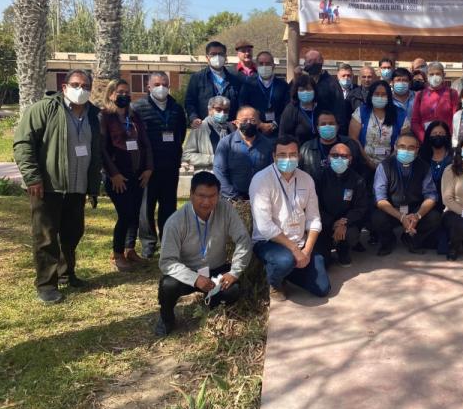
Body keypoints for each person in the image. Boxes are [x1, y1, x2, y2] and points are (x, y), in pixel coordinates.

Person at [14, 69, 101, 304]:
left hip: (77, 185)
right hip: (48, 186)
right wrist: (32, 177)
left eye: (85, 86)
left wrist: (93, 185)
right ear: (64, 87)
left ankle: (65, 274)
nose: (80, 89)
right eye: (75, 84)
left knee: (72, 233)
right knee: (46, 237)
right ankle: (46, 284)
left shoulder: (93, 114)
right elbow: (23, 143)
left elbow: (96, 151)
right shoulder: (45, 109)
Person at [155, 172, 251, 336]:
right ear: (191, 194)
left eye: (212, 196)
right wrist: (195, 279)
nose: (207, 202)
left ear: (218, 195)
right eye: (201, 196)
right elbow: (167, 262)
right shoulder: (175, 221)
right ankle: (167, 318)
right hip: (189, 272)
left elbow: (243, 239)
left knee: (233, 289)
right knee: (167, 286)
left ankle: (211, 306)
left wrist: (234, 272)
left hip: (216, 269)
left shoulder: (225, 208)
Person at [250, 135, 330, 299]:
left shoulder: (306, 179)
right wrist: (294, 249)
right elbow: (265, 226)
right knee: (284, 261)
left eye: (292, 154)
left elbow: (314, 218)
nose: (288, 159)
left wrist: (306, 251)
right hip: (270, 242)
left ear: (299, 156)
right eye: (282, 155)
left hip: (300, 242)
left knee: (323, 289)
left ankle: (288, 270)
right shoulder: (261, 180)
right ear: (273, 157)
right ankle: (275, 282)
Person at [100, 79, 154, 272]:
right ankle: (117, 255)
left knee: (134, 214)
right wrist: (113, 174)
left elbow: (145, 143)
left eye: (127, 92)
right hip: (118, 177)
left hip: (138, 174)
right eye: (120, 92)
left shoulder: (135, 116)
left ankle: (130, 249)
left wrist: (148, 168)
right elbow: (102, 149)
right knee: (124, 214)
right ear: (111, 94)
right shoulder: (105, 117)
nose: (124, 96)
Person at [133, 72, 188, 258]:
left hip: (170, 165)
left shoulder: (176, 108)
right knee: (146, 206)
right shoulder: (138, 108)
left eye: (165, 84)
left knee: (168, 205)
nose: (161, 87)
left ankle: (167, 240)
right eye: (157, 84)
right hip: (148, 167)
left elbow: (180, 132)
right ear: (148, 87)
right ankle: (148, 243)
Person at [372, 132, 441, 255]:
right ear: (395, 147)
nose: (406, 150)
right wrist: (401, 217)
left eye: (411, 148)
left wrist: (417, 216)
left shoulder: (424, 166)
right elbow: (380, 199)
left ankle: (411, 239)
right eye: (402, 146)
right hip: (392, 209)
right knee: (377, 218)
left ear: (417, 150)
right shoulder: (385, 166)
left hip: (414, 209)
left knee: (434, 217)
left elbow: (431, 196)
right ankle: (388, 241)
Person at [314, 143, 367, 266]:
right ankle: (328, 248)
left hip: (346, 224)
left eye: (344, 156)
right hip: (324, 222)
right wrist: (333, 222)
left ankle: (343, 250)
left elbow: (361, 207)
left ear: (350, 159)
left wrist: (344, 222)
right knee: (324, 263)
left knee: (351, 235)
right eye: (335, 155)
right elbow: (313, 205)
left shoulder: (358, 180)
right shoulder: (319, 177)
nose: (339, 159)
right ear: (328, 158)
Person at [213, 106, 273, 206]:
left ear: (259, 123)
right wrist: (234, 197)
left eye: (253, 120)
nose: (249, 123)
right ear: (236, 123)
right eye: (244, 120)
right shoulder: (226, 143)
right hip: (232, 201)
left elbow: (272, 172)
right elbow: (219, 172)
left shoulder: (268, 145)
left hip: (262, 199)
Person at [349, 80, 409, 171]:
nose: (380, 97)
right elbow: (353, 138)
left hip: (391, 165)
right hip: (364, 163)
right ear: (371, 95)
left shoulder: (400, 114)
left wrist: (388, 162)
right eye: (376, 94)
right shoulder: (361, 112)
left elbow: (404, 141)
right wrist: (368, 161)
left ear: (389, 96)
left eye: (383, 94)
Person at [185, 41, 243, 128]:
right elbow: (190, 102)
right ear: (207, 58)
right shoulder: (197, 78)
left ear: (225, 57)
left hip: (230, 128)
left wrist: (239, 119)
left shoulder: (236, 79)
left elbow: (241, 103)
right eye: (213, 54)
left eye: (220, 54)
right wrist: (194, 118)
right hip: (205, 127)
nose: (217, 57)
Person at [299, 110, 366, 179]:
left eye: (331, 124)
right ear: (317, 128)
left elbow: (361, 171)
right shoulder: (306, 149)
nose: (327, 126)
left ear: (337, 127)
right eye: (323, 124)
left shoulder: (350, 145)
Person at [238, 50, 289, 140]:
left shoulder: (282, 85)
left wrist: (274, 124)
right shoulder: (248, 84)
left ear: (273, 65)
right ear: (256, 66)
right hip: (254, 131)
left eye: (268, 63)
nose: (264, 66)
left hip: (277, 132)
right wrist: (259, 124)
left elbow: (287, 108)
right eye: (261, 63)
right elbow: (243, 106)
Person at [182, 96, 235, 173]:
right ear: (210, 110)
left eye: (226, 110)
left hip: (228, 176)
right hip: (207, 176)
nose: (222, 113)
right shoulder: (200, 128)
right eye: (218, 109)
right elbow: (186, 156)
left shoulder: (231, 128)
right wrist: (212, 159)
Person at [411, 61, 459, 142]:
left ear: (444, 75)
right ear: (427, 76)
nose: (435, 76)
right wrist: (424, 138)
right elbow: (415, 121)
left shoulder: (452, 93)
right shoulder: (420, 95)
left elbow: (456, 119)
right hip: (425, 140)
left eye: (438, 74)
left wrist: (447, 137)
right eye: (431, 74)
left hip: (446, 139)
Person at [303, 49, 346, 127]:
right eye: (309, 61)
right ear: (305, 62)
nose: (313, 63)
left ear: (322, 61)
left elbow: (339, 109)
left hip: (325, 128)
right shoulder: (300, 82)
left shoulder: (332, 84)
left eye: (316, 60)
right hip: (303, 127)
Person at [419, 121, 453, 208]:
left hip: (449, 203)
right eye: (434, 133)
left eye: (441, 133)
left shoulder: (453, 156)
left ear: (447, 136)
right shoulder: (421, 156)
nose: (438, 135)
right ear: (428, 136)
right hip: (425, 201)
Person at [279, 74, 320, 146]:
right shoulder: (291, 109)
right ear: (296, 92)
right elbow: (283, 135)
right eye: (301, 90)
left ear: (314, 90)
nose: (305, 92)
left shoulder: (320, 107)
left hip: (319, 151)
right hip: (298, 151)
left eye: (308, 89)